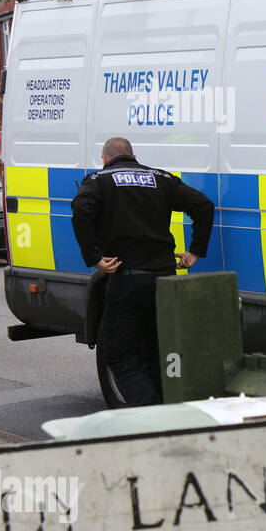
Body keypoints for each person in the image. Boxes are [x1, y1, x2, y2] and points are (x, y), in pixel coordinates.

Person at [71, 137, 214, 407]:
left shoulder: (99, 180)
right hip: (165, 281)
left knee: (119, 355)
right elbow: (204, 206)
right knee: (153, 351)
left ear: (105, 159)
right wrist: (194, 252)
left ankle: (148, 413)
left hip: (128, 281)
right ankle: (166, 410)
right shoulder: (161, 178)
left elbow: (81, 210)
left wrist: (94, 258)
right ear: (132, 156)